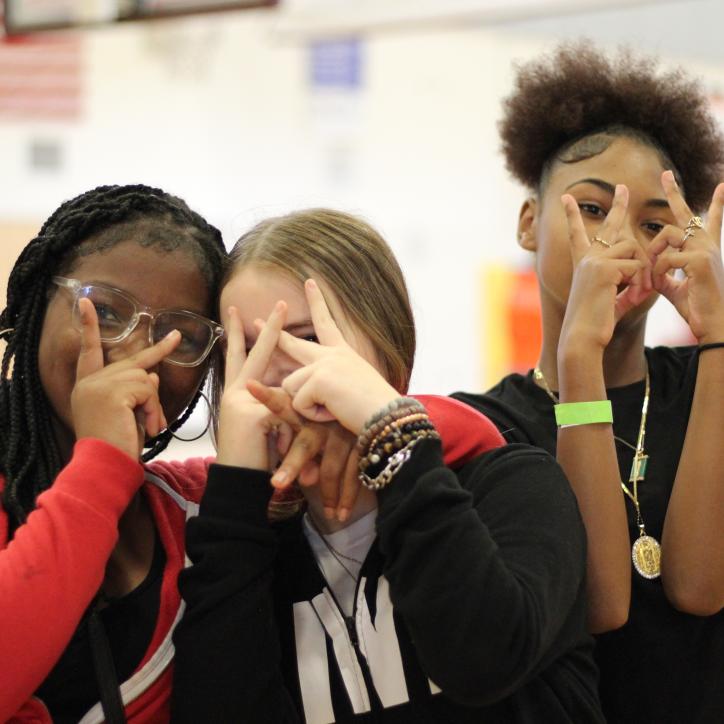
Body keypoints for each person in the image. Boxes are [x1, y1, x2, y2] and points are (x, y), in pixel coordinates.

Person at [171, 208, 606, 723]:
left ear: (387, 347)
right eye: (246, 348)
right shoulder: (244, 550)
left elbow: (484, 662)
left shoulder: (512, 487)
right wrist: (237, 488)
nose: (278, 375)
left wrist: (390, 428)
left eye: (306, 339)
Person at [452, 44, 724, 723]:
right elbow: (598, 604)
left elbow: (698, 586)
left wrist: (718, 337)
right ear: (528, 222)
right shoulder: (482, 428)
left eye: (653, 222)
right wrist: (579, 355)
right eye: (592, 209)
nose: (621, 241)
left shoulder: (708, 379)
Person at [0, 184, 228, 722]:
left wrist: (391, 419)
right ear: (37, 303)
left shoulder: (200, 511)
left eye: (182, 335)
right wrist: (102, 462)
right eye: (102, 310)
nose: (134, 353)